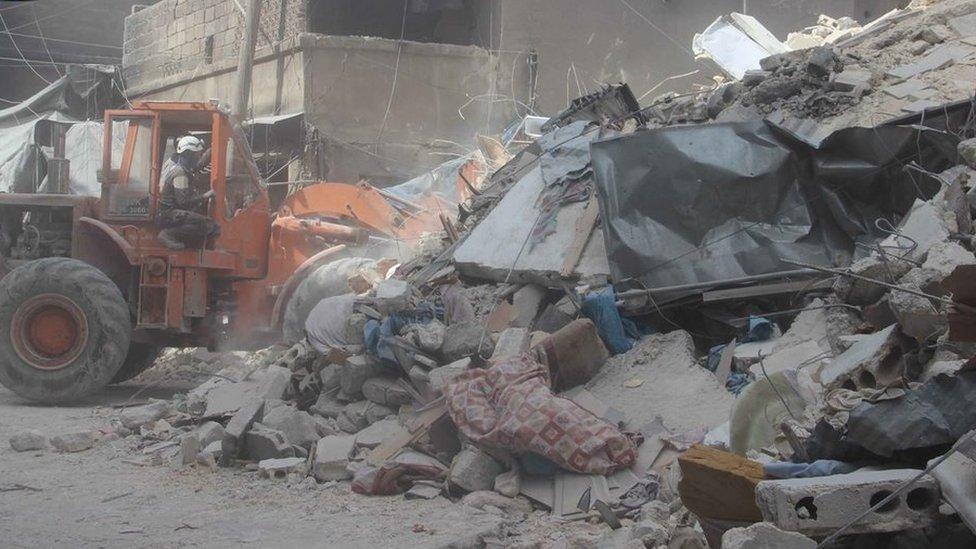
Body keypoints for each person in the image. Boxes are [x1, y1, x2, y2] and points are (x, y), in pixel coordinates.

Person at [157, 135, 220, 250]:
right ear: (189, 154)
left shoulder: (182, 167)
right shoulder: (180, 173)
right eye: (197, 154)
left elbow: (199, 165)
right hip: (169, 214)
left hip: (170, 212)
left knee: (201, 219)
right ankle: (168, 235)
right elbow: (183, 202)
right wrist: (205, 196)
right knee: (210, 225)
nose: (199, 157)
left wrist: (213, 148)